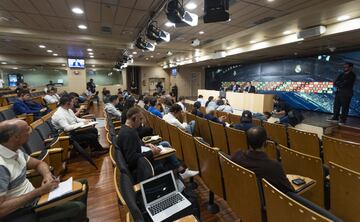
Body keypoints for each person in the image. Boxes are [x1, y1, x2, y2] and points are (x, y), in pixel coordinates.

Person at [0, 119, 88, 221]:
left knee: (82, 184)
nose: (30, 131)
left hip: (34, 199)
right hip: (21, 213)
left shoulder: (15, 151)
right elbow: (1, 209)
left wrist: (47, 176)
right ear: (16, 137)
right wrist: (40, 191)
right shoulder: (1, 166)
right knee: (77, 208)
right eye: (27, 129)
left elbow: (39, 163)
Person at [117, 107, 198, 180]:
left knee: (165, 144)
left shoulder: (128, 129)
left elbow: (135, 146)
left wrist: (147, 145)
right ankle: (180, 176)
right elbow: (131, 159)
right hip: (141, 169)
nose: (141, 122)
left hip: (142, 156)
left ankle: (180, 172)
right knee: (168, 160)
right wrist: (151, 152)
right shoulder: (128, 135)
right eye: (140, 119)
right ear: (134, 119)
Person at [231, 126, 294, 193]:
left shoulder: (237, 155)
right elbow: (289, 190)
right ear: (265, 143)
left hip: (244, 193)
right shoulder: (274, 166)